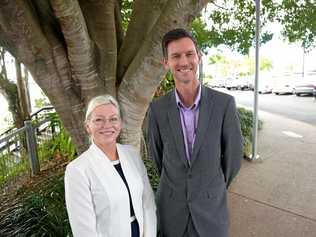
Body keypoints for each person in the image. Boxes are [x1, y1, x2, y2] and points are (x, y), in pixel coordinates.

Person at [147, 28, 243, 237]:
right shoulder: (157, 109)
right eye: (175, 56)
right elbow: (157, 157)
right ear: (166, 63)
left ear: (198, 57)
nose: (184, 62)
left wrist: (209, 186)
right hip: (172, 214)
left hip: (211, 212)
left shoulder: (224, 104)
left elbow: (233, 158)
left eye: (189, 54)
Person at [65, 95, 157, 237]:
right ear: (87, 126)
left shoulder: (132, 155)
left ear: (120, 123)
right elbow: (84, 230)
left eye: (113, 118)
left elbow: (148, 203)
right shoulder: (78, 170)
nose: (107, 125)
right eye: (98, 120)